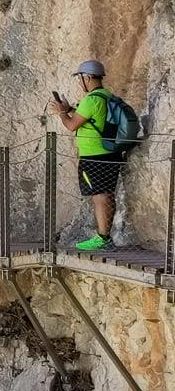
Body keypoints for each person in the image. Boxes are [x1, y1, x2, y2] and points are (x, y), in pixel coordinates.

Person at [48, 60, 125, 250]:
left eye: (80, 78)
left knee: (100, 197)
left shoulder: (91, 100)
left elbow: (72, 125)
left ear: (87, 77)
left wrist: (61, 113)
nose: (79, 82)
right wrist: (70, 110)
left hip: (93, 156)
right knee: (107, 194)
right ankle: (106, 236)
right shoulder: (107, 96)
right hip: (111, 153)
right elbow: (92, 118)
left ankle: (102, 238)